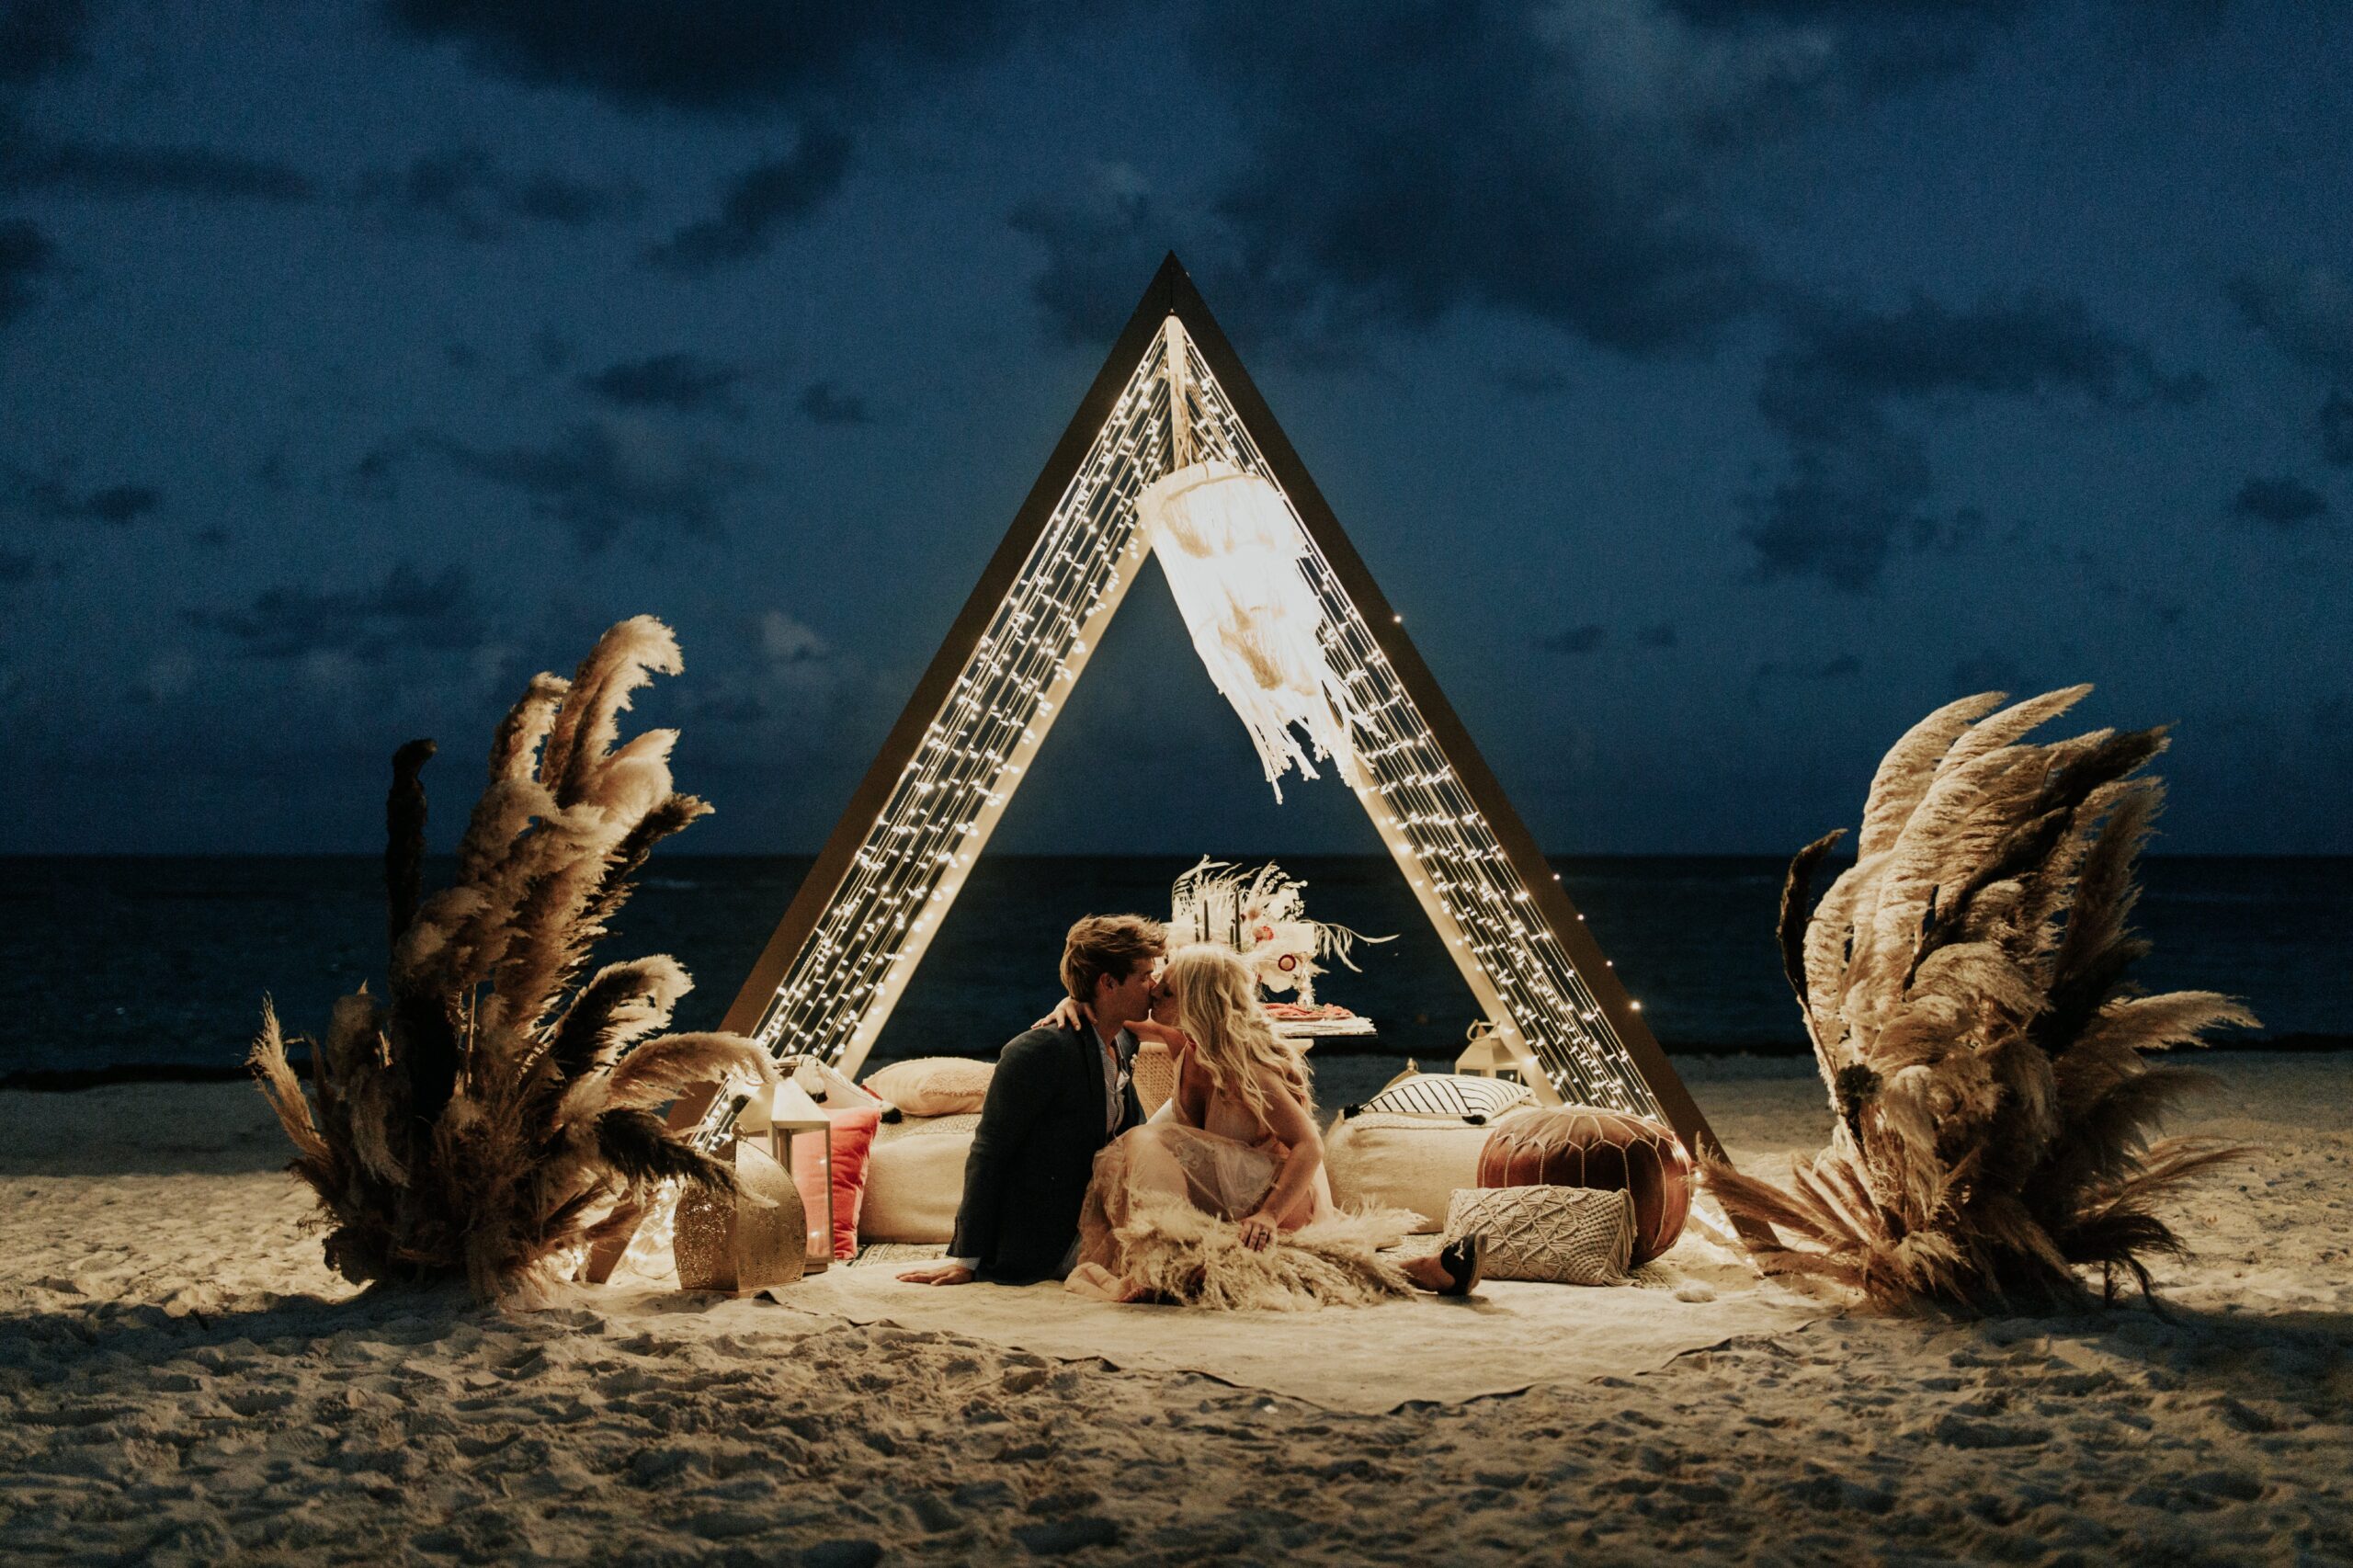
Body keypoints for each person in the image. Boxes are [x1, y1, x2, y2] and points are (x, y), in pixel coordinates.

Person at [1060, 942, 1484, 1307]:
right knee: (1148, 1170)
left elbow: (1309, 1145)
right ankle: (1423, 1272)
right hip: (1230, 1192)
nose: (1153, 995)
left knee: (1147, 1140)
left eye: (1166, 991)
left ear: (1198, 1002)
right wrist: (1071, 1002)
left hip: (1275, 1196)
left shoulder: (1243, 1063)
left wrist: (1267, 1215)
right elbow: (1116, 1014)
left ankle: (1421, 1270)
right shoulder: (1184, 1041)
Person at [898, 915, 1165, 1287]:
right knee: (1171, 1267)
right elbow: (989, 1153)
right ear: (1108, 983)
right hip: (1053, 1240)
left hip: (1108, 1216)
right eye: (1145, 977)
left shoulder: (1123, 1039)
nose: (1154, 987)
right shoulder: (1040, 1051)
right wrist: (965, 1258)